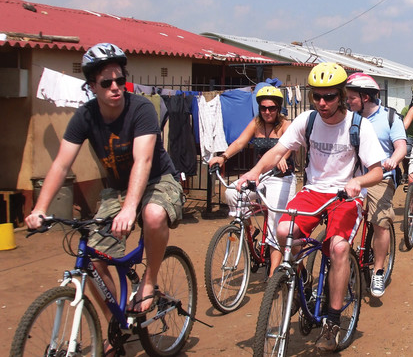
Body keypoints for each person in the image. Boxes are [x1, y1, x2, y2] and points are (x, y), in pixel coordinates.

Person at [24, 43, 184, 353]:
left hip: (157, 179)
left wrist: (128, 210)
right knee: (93, 260)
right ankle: (117, 323)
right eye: (106, 83)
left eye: (119, 80)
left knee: (152, 215)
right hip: (117, 189)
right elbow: (61, 163)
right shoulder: (85, 116)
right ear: (92, 86)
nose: (115, 87)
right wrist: (40, 208)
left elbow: (143, 161)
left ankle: (149, 282)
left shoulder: (140, 108)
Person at [238, 62, 384, 352]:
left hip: (345, 195)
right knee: (283, 231)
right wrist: (254, 172)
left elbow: (377, 171)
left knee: (339, 248)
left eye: (329, 96)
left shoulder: (358, 126)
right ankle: (302, 278)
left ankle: (332, 321)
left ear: (341, 95)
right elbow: (279, 150)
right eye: (317, 96)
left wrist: (358, 181)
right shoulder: (308, 120)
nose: (322, 102)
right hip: (313, 191)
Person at [207, 85, 295, 277]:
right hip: (261, 176)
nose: (267, 112)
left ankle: (273, 274)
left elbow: (290, 145)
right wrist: (223, 157)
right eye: (263, 108)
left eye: (271, 108)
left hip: (281, 178)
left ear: (278, 108)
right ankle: (247, 226)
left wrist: (282, 156)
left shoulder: (286, 126)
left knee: (275, 222)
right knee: (231, 192)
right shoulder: (256, 124)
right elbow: (239, 143)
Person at [344, 73, 407, 297]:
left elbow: (401, 146)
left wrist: (394, 159)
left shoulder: (390, 118)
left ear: (366, 97)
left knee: (380, 221)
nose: (348, 101)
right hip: (351, 177)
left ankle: (378, 271)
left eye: (352, 98)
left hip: (381, 176)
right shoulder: (347, 118)